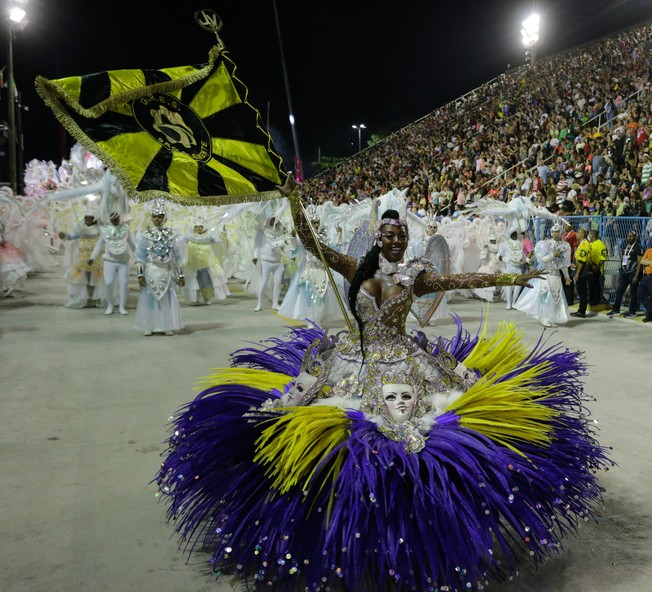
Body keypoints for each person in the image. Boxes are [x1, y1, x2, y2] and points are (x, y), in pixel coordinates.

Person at [156, 176, 612, 592]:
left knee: (413, 439)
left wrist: (515, 277)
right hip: (352, 360)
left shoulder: (416, 275)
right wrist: (294, 204)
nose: (395, 241)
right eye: (388, 236)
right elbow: (311, 244)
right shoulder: (357, 269)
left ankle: (414, 525)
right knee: (309, 410)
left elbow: (463, 277)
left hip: (404, 364)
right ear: (379, 239)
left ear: (408, 241)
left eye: (401, 236)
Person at [134, 200, 185, 336]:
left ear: (165, 217)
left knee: (166, 298)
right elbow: (140, 256)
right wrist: (140, 274)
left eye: (160, 216)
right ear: (151, 217)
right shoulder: (143, 235)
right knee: (149, 298)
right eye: (155, 216)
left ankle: (166, 325)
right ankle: (149, 325)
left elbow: (178, 257)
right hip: (151, 269)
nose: (157, 219)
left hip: (166, 270)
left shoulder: (173, 234)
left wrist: (181, 275)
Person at [515, 222, 572, 327]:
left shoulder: (565, 246)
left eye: (557, 232)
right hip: (546, 273)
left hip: (556, 275)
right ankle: (544, 317)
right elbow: (542, 260)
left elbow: (564, 264)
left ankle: (550, 318)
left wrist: (567, 277)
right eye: (553, 232)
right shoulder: (545, 244)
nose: (555, 234)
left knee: (556, 297)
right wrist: (552, 255)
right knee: (546, 296)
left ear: (561, 232)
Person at [88, 211, 135, 315]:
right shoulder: (105, 230)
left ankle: (122, 306)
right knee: (109, 283)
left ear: (120, 218)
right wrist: (93, 257)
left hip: (123, 261)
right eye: (112, 218)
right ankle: (110, 305)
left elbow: (132, 244)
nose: (115, 220)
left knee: (123, 283)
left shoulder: (125, 229)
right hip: (109, 261)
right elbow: (99, 245)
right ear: (109, 219)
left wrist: (139, 257)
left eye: (116, 218)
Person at [58, 208, 106, 308]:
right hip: (83, 257)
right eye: (86, 218)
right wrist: (64, 235)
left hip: (96, 258)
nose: (87, 220)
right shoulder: (81, 228)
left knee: (95, 279)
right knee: (82, 279)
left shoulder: (100, 229)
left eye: (90, 218)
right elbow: (71, 236)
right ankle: (84, 299)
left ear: (94, 219)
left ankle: (94, 299)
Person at [181, 217, 229, 306]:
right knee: (194, 280)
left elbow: (218, 241)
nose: (199, 228)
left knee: (206, 281)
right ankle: (194, 298)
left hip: (206, 263)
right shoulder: (189, 236)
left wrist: (222, 232)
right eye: (197, 226)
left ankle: (207, 297)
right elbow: (179, 242)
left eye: (201, 226)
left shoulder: (209, 236)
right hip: (193, 263)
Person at [252, 214, 291, 312]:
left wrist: (286, 247)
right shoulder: (262, 232)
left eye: (276, 219)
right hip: (266, 261)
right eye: (273, 219)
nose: (275, 221)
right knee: (264, 281)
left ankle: (275, 303)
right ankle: (259, 304)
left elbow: (283, 246)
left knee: (278, 283)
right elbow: (257, 245)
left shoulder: (280, 232)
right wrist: (255, 256)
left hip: (278, 261)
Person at [607, 229, 643, 318]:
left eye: (631, 236)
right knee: (619, 291)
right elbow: (623, 259)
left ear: (635, 237)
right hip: (624, 272)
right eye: (628, 236)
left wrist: (636, 275)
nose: (629, 238)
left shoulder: (638, 247)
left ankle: (632, 311)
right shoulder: (625, 246)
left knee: (633, 293)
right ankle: (616, 309)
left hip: (633, 272)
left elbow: (640, 263)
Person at [497, 230, 526, 310]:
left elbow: (522, 255)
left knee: (518, 285)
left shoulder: (520, 243)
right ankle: (509, 303)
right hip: (508, 267)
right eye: (513, 232)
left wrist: (527, 259)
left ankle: (514, 302)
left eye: (516, 232)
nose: (514, 234)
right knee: (509, 286)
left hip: (517, 267)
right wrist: (500, 258)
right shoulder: (505, 243)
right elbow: (499, 254)